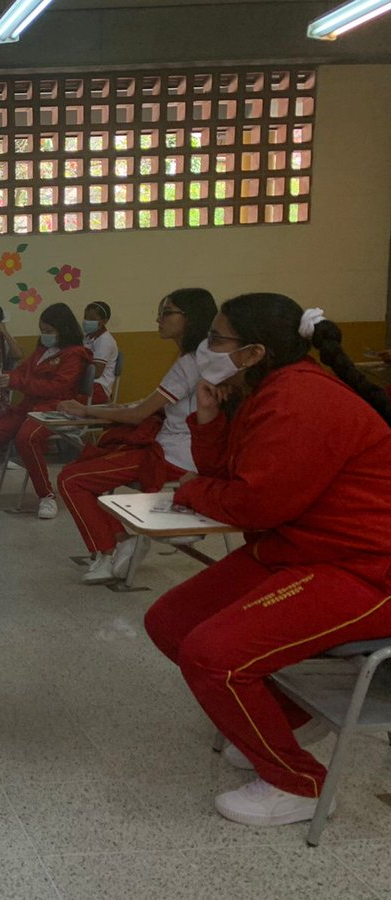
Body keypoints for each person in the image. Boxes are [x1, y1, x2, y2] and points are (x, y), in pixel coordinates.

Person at [144, 294, 391, 828]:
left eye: (217, 338)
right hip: (293, 549)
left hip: (362, 568)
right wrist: (207, 419)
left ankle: (298, 784)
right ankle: (290, 721)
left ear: (254, 351)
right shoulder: (262, 390)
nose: (206, 347)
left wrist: (191, 493)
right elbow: (232, 476)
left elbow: (255, 501)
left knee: (214, 655)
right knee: (168, 622)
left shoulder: (300, 399)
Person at [56, 289, 218, 583]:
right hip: (169, 445)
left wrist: (88, 411)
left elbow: (139, 414)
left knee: (71, 479)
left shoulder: (191, 362)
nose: (158, 319)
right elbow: (149, 405)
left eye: (166, 313)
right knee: (84, 466)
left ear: (190, 319)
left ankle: (113, 546)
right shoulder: (195, 358)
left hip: (174, 456)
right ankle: (119, 540)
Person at [0, 302, 90, 519]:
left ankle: (46, 496)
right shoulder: (42, 351)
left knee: (26, 438)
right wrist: (1, 378)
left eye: (49, 331)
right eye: (42, 330)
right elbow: (21, 372)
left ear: (62, 329)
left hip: (55, 408)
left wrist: (16, 382)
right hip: (28, 406)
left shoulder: (75, 354)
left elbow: (57, 388)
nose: (44, 335)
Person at [82, 301, 119, 404]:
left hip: (98, 388)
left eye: (92, 319)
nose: (87, 321)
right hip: (85, 384)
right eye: (86, 317)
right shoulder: (87, 337)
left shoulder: (105, 341)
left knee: (64, 397)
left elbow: (97, 372)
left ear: (104, 321)